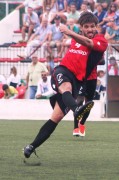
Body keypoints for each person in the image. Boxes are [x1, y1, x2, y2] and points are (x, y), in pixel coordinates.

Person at [23, 12, 108, 159]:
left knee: (56, 117)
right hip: (62, 71)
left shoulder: (100, 41)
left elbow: (88, 43)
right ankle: (77, 110)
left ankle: (31, 146)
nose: (89, 29)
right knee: (66, 88)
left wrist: (69, 32)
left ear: (96, 27)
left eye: (92, 26)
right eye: (86, 27)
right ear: (81, 28)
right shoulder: (75, 39)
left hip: (77, 81)